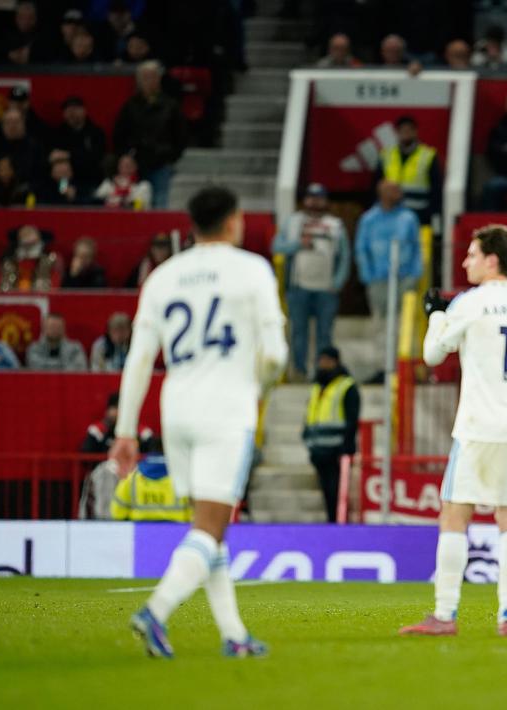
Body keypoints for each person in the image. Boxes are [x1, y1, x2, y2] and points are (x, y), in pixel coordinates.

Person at [114, 186, 286, 658]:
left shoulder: (163, 276)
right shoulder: (252, 269)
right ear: (233, 221)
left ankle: (234, 636)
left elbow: (139, 359)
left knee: (209, 527)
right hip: (226, 408)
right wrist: (260, 386)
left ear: (192, 225)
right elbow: (275, 355)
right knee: (210, 526)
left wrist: (125, 430)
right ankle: (156, 611)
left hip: (177, 410)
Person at [400, 226, 507, 638]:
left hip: (480, 423)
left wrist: (436, 314)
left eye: (472, 255)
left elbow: (432, 354)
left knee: (454, 514)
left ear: (492, 260)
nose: (466, 263)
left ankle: (445, 614)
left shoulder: (471, 301)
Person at [274, 183, 350, 378]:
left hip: (326, 289)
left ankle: (322, 372)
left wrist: (337, 283)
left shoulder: (335, 225)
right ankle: (299, 371)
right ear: (305, 200)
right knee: (299, 332)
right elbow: (277, 246)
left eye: (319, 198)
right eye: (311, 197)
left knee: (325, 333)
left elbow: (344, 256)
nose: (315, 202)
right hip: (299, 287)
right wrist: (298, 244)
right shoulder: (293, 222)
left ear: (325, 201)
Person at [113, 60, 187, 209]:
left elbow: (181, 135)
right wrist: (126, 155)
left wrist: (171, 156)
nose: (149, 81)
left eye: (153, 77)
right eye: (145, 77)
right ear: (139, 81)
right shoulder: (131, 105)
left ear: (159, 79)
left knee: (160, 203)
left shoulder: (170, 105)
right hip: (136, 163)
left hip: (162, 162)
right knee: (137, 204)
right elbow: (120, 133)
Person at [302, 347, 360, 523]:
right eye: (321, 360)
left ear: (336, 362)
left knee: (337, 490)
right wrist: (307, 438)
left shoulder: (346, 386)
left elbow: (352, 419)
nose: (323, 364)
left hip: (337, 451)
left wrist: (346, 447)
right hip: (319, 449)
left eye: (327, 360)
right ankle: (331, 522)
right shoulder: (317, 386)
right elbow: (311, 414)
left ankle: (338, 523)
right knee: (327, 490)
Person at [355, 180, 422, 326]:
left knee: (403, 321)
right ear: (382, 194)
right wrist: (367, 276)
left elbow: (417, 247)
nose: (399, 194)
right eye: (394, 190)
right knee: (380, 320)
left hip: (404, 277)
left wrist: (414, 274)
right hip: (377, 278)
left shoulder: (408, 218)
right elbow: (361, 249)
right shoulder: (369, 219)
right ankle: (380, 343)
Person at [375, 116, 442, 227]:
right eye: (402, 130)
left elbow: (436, 188)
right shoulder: (387, 155)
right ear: (397, 133)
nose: (406, 134)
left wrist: (432, 213)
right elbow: (377, 184)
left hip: (419, 213)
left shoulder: (428, 155)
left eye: (409, 130)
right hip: (392, 212)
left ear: (415, 132)